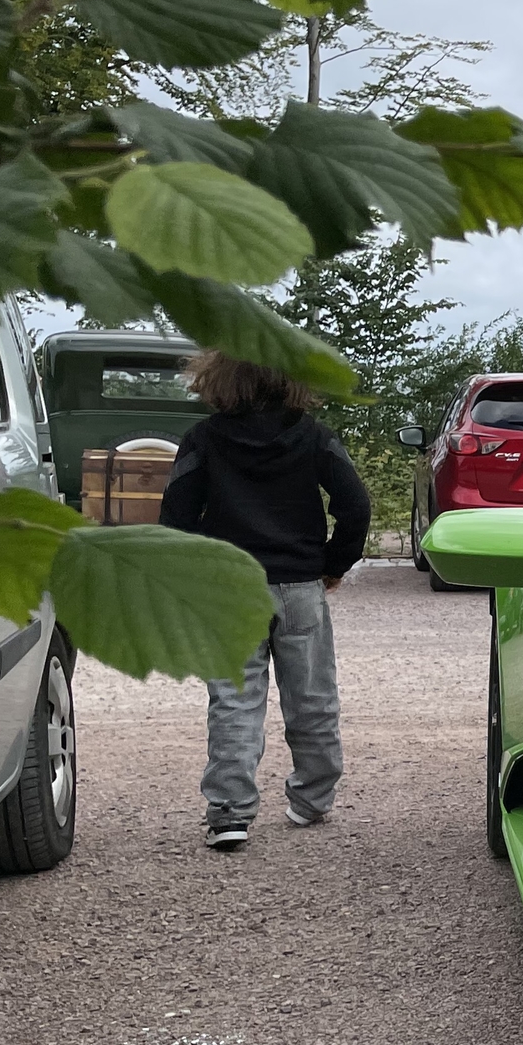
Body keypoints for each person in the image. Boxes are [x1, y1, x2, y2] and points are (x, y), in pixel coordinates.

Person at [159, 352, 370, 852]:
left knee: (234, 701)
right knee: (313, 698)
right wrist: (334, 563)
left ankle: (230, 812)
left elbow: (176, 515)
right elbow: (355, 504)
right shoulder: (313, 435)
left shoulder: (203, 439)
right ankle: (311, 799)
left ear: (218, 378)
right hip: (299, 586)